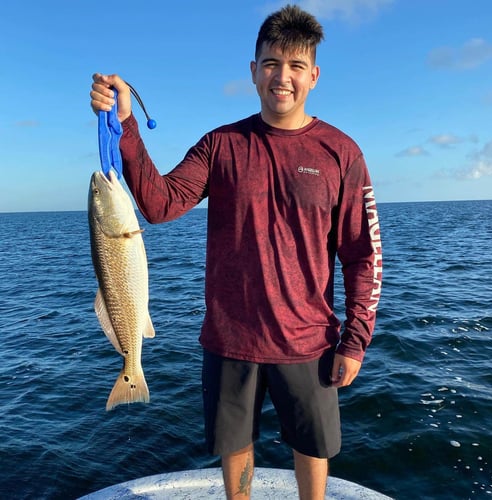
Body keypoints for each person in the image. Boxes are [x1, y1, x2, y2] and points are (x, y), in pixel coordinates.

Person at [90, 4, 382, 499]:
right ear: (253, 72)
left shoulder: (341, 152)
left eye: (294, 67)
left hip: (308, 341)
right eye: (270, 64)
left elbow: (363, 254)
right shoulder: (221, 145)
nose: (281, 77)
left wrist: (355, 339)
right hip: (229, 339)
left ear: (313, 74)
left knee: (312, 447)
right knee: (235, 445)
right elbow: (161, 204)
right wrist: (126, 127)